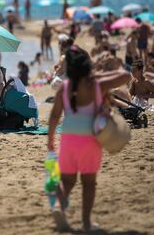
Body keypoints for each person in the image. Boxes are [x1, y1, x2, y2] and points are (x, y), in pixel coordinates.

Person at [47, 45, 130, 232]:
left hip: (68, 137)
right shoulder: (97, 84)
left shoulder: (64, 87)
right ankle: (85, 222)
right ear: (87, 65)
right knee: (88, 182)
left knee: (67, 181)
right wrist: (110, 67)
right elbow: (126, 76)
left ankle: (59, 207)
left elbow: (54, 116)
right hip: (90, 138)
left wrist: (50, 139)